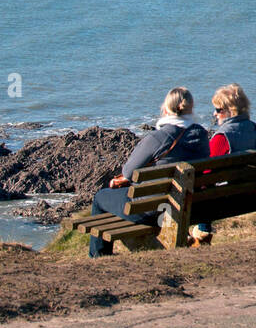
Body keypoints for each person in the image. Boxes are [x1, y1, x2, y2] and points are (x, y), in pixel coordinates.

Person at [87, 87, 210, 257]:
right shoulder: (202, 135)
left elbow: (128, 172)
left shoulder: (158, 138)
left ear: (166, 109)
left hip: (153, 209)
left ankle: (99, 258)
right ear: (190, 108)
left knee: (101, 198)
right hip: (189, 205)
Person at [190, 83, 256, 244]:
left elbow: (206, 174)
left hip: (232, 200)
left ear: (229, 111)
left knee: (196, 187)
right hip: (255, 196)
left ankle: (202, 233)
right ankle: (201, 233)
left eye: (218, 110)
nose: (215, 113)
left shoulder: (222, 137)